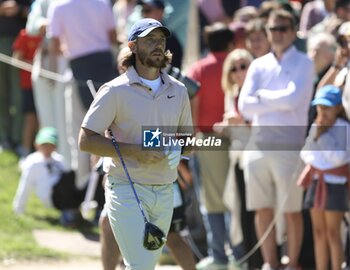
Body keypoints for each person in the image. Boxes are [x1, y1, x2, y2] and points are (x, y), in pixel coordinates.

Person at [78, 18, 193, 270]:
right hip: (126, 187)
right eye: (150, 40)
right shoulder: (114, 91)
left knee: (144, 266)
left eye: (161, 40)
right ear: (132, 46)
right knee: (140, 265)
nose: (158, 45)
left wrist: (178, 147)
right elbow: (86, 140)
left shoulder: (179, 90)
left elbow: (188, 139)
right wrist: (134, 151)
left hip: (164, 189)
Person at [238, 9, 315, 270]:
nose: (277, 34)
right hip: (258, 146)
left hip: (289, 146)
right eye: (273, 29)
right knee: (261, 209)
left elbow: (294, 99)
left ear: (293, 32)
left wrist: (261, 97)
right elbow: (244, 106)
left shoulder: (304, 62)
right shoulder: (258, 64)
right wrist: (277, 99)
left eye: (283, 29)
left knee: (292, 210)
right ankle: (270, 263)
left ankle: (292, 263)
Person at [186, 22, 234, 270]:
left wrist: (192, 137)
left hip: (208, 138)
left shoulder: (199, 69)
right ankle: (233, 252)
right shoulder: (238, 64)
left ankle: (220, 255)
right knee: (234, 198)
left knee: (212, 200)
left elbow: (192, 103)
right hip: (236, 137)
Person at [297, 85, 350, 270]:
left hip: (335, 186)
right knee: (318, 232)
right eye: (320, 108)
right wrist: (318, 140)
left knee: (333, 233)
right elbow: (306, 154)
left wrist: (323, 138)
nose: (322, 112)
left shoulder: (344, 127)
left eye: (327, 107)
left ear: (337, 108)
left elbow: (339, 158)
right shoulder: (317, 126)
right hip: (316, 182)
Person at [12, 127, 84, 226]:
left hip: (64, 194)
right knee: (68, 178)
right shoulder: (33, 162)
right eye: (44, 145)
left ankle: (75, 211)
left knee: (74, 176)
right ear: (37, 145)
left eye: (51, 146)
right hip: (52, 196)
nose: (47, 149)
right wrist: (18, 209)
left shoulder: (59, 160)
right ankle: (69, 215)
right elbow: (25, 186)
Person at [12, 28, 42, 160]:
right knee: (30, 118)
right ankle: (25, 151)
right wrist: (35, 66)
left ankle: (43, 152)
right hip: (28, 84)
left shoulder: (49, 35)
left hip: (45, 85)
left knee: (42, 118)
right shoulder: (25, 34)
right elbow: (16, 59)